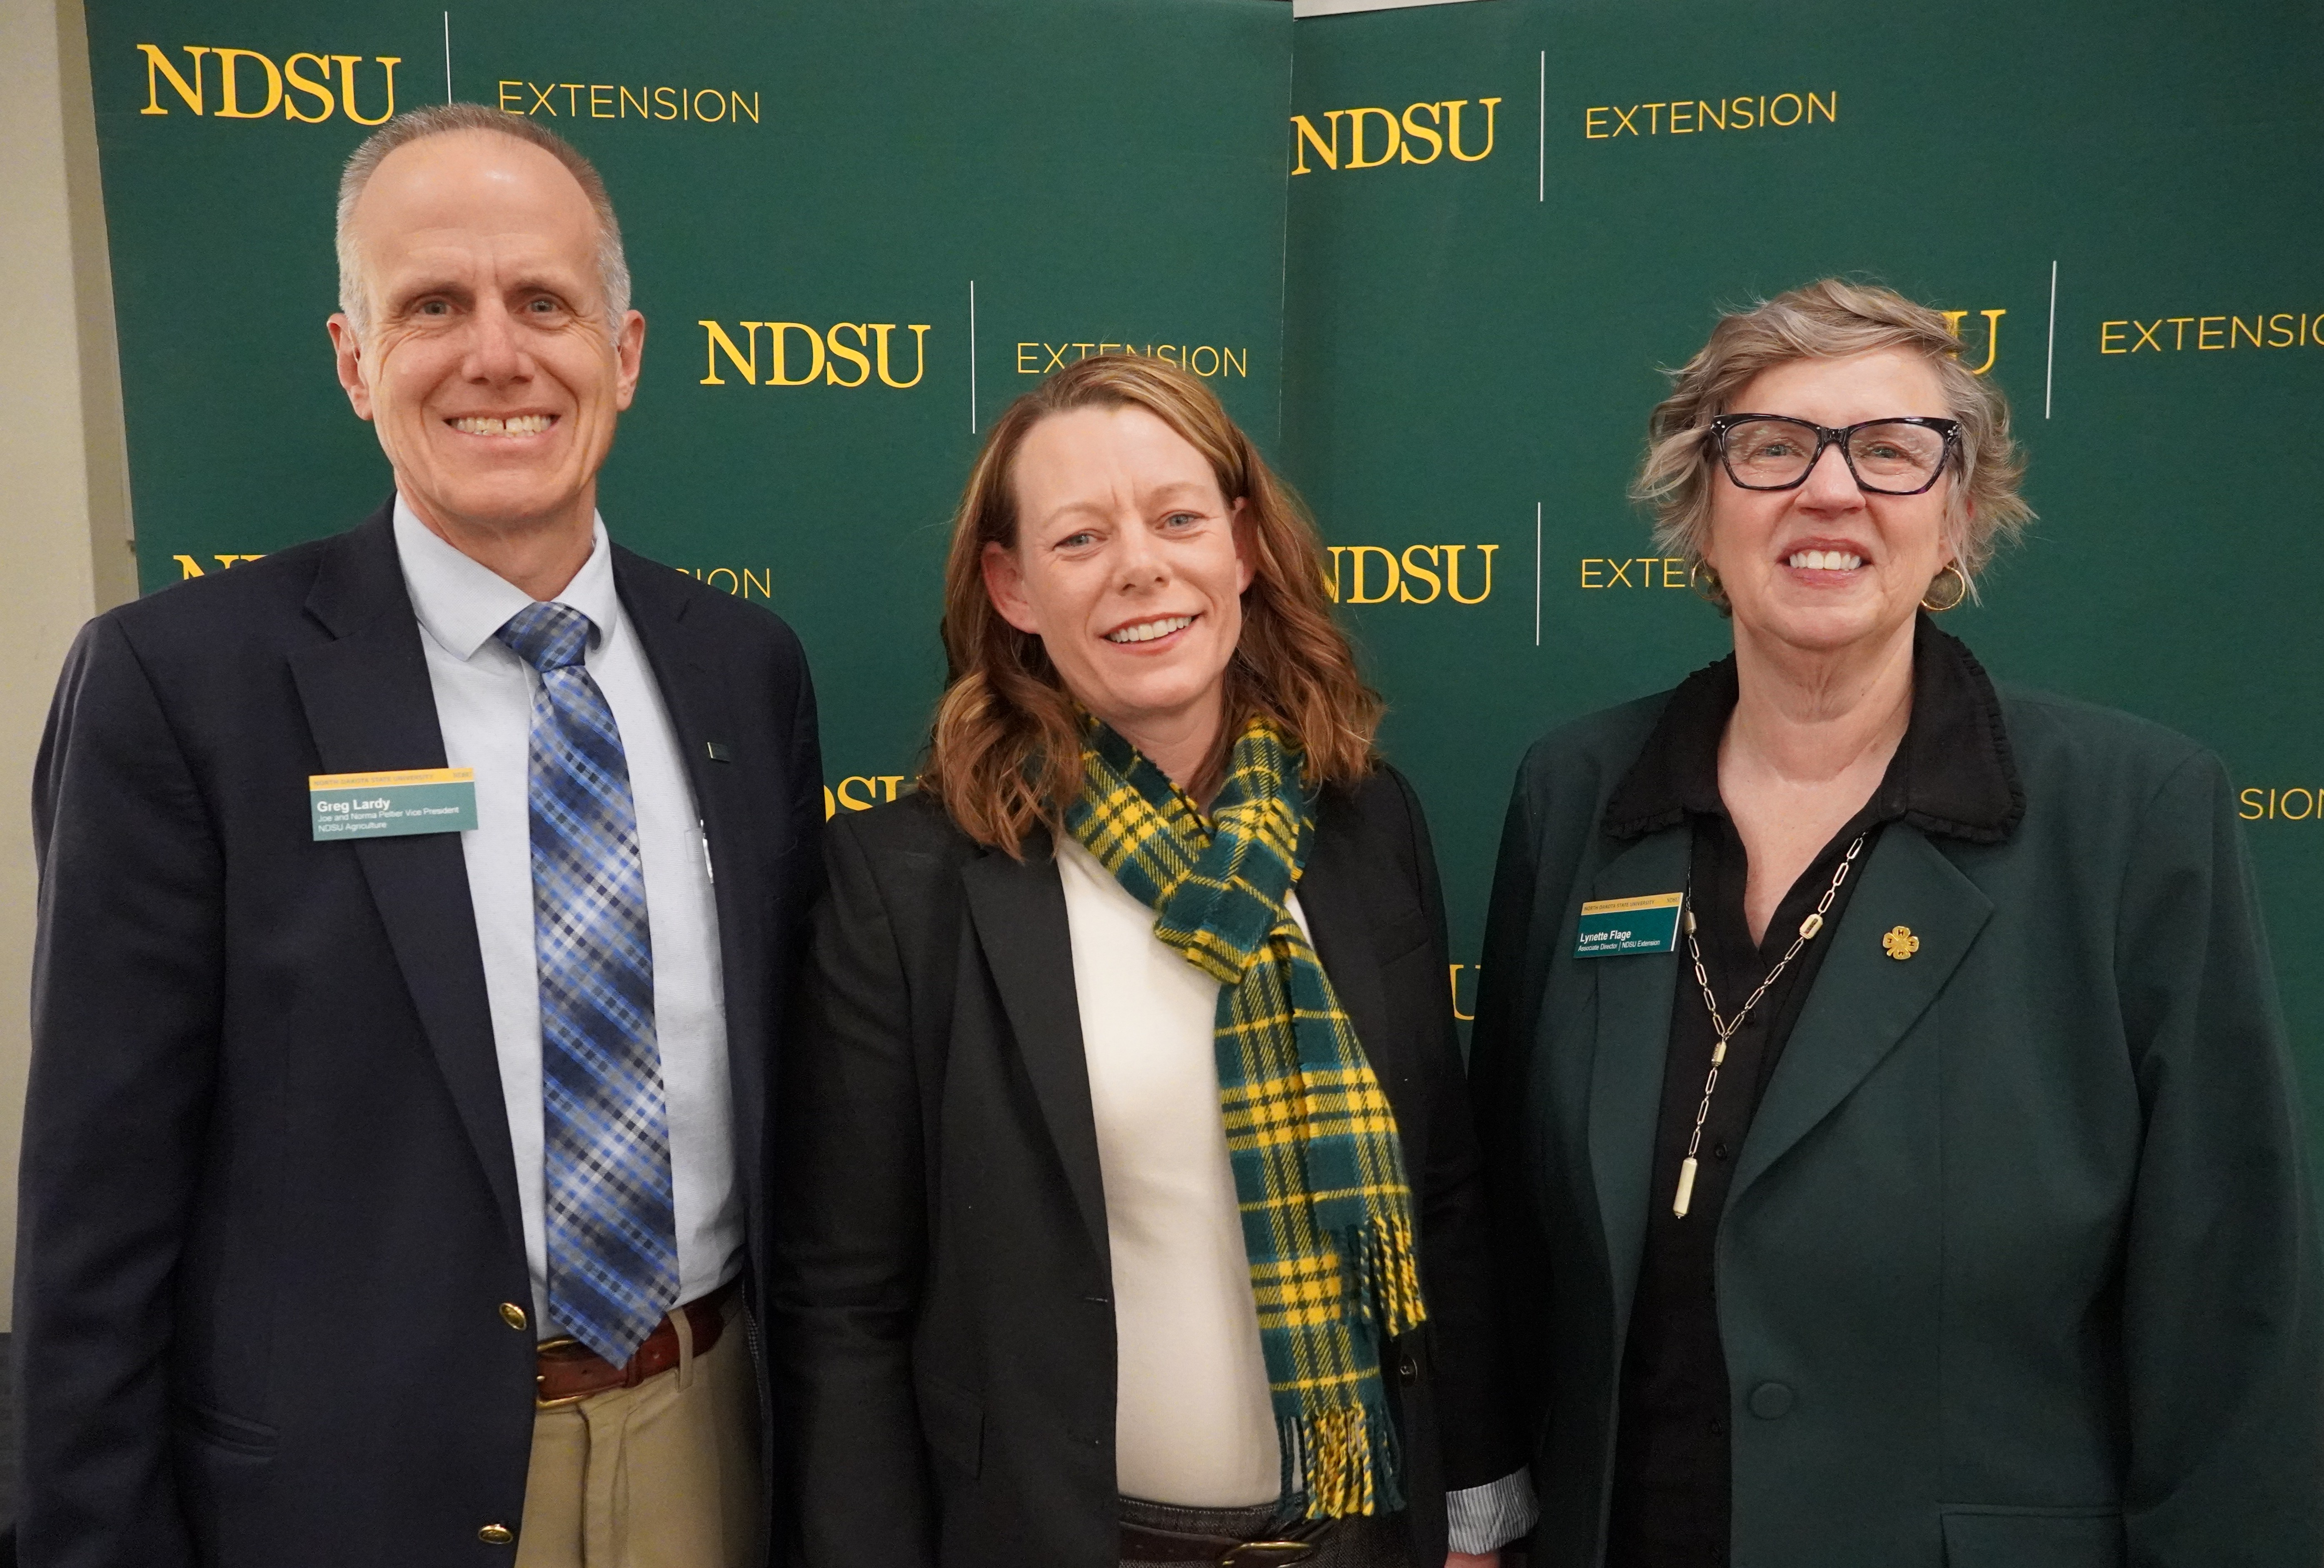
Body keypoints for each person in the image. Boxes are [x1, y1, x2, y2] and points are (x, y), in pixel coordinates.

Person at [17, 105, 823, 1568]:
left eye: (545, 303)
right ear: (354, 360)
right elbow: (95, 1205)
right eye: (432, 305)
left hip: (712, 1448)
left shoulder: (741, 670)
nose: (495, 355)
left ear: (624, 354)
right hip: (344, 1490)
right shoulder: (179, 686)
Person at [1468, 277, 2324, 1568]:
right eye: (1769, 447)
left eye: (1891, 450)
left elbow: (2226, 1293)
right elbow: (1517, 1237)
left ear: (1959, 518)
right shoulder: (1577, 796)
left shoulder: (2134, 813)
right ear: (1698, 509)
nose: (1829, 491)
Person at [774, 354, 1533, 1568]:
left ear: (1239, 547)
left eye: (1178, 518)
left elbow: (1439, 1193)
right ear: (1012, 586)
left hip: (1362, 1537)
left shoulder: (1361, 824)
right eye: (1079, 538)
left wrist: (1477, 1515)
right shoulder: (905, 881)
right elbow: (844, 1304)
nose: (1141, 565)